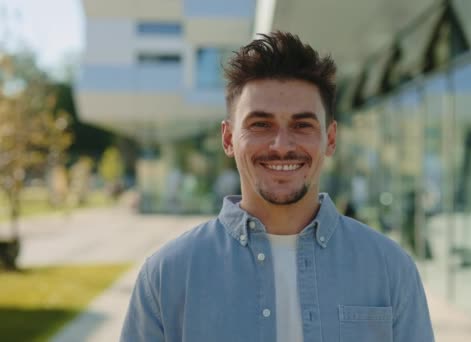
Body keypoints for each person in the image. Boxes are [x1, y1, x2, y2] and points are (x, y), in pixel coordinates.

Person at [120, 31, 434, 342]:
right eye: (260, 125)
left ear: (331, 139)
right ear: (229, 139)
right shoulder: (167, 276)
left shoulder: (390, 269)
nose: (282, 146)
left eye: (302, 125)